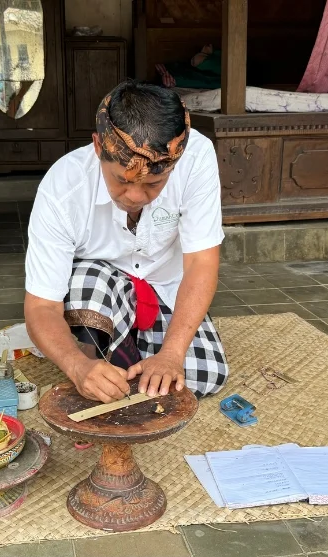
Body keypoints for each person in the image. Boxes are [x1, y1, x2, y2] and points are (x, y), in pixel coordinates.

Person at [24, 80, 228, 404]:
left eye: (154, 184)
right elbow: (41, 306)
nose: (135, 196)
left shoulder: (195, 157)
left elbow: (201, 263)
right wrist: (77, 366)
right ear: (97, 147)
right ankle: (98, 359)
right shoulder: (62, 187)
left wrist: (172, 354)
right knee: (87, 282)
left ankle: (131, 356)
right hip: (101, 293)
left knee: (204, 377)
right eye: (121, 179)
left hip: (165, 286)